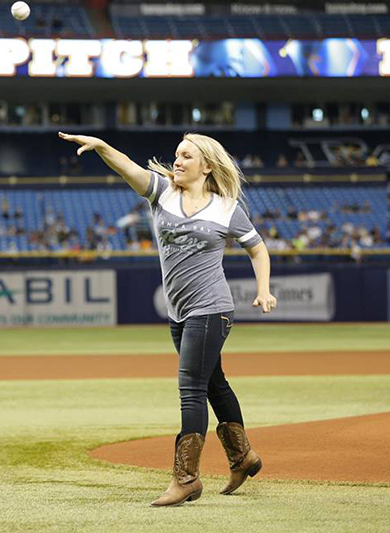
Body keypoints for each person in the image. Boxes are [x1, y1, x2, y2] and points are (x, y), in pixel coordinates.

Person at [59, 131, 277, 507]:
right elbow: (127, 166)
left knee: (191, 386)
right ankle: (243, 458)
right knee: (213, 383)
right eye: (177, 155)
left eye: (186, 156)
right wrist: (102, 147)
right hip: (179, 311)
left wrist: (263, 289)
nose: (177, 161)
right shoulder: (162, 192)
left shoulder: (227, 207)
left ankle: (186, 478)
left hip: (211, 307)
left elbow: (257, 249)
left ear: (206, 166)